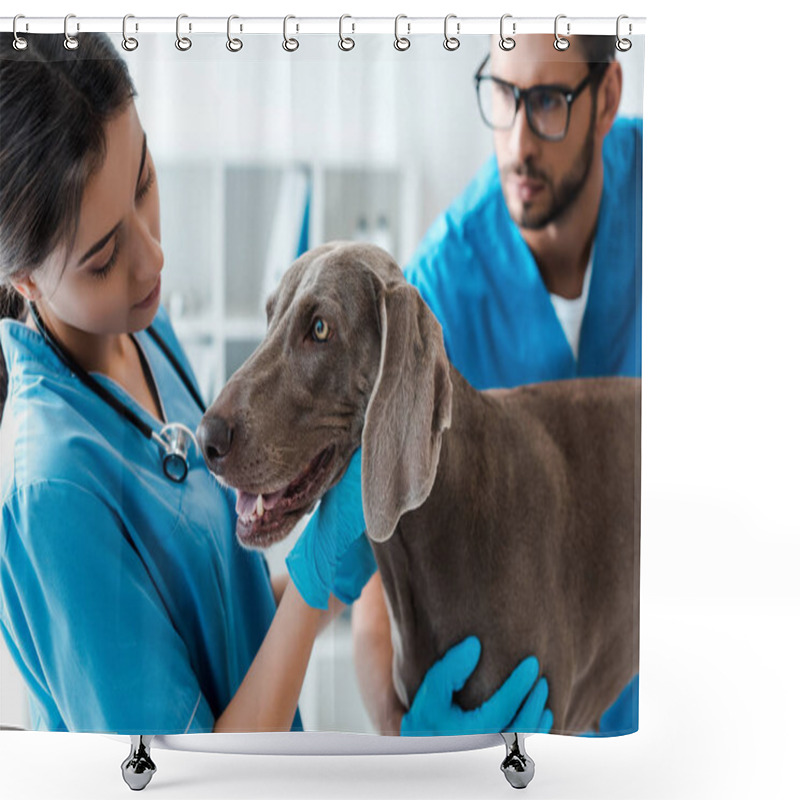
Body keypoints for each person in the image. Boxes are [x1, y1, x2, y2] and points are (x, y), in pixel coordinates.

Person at [0, 33, 551, 736]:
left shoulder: (139, 332)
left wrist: (333, 570)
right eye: (105, 256)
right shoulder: (52, 493)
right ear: (23, 280)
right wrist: (317, 582)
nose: (152, 260)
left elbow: (216, 610)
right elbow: (182, 781)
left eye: (144, 182)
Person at [351, 34, 642, 736]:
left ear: (606, 97)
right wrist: (406, 734)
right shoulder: (438, 290)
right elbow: (378, 566)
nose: (516, 143)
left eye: (547, 101)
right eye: (504, 93)